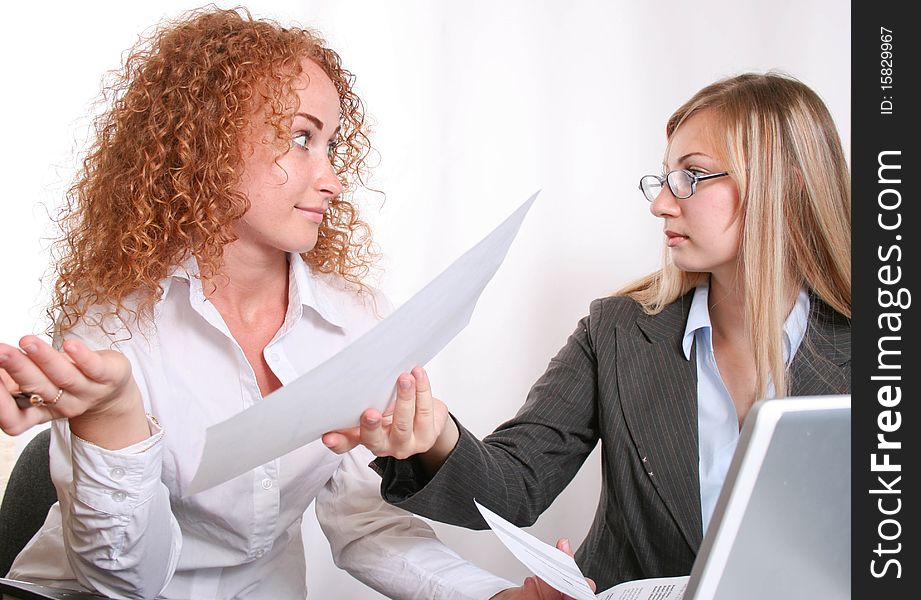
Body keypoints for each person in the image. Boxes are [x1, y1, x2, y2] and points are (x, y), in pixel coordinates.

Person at [0, 6, 548, 599]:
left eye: (332, 143)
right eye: (299, 137)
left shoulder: (356, 319)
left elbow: (367, 522)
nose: (333, 177)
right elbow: (124, 579)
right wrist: (114, 420)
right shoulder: (114, 322)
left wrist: (494, 596)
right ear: (207, 142)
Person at [323, 72, 852, 591]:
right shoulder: (618, 331)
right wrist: (436, 436)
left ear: (787, 181)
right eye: (664, 179)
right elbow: (513, 488)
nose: (661, 203)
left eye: (692, 176)